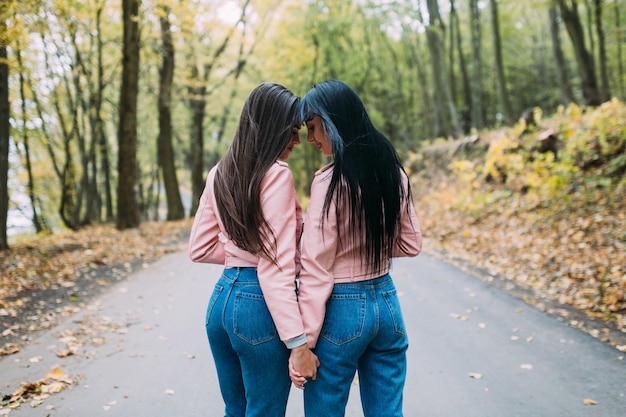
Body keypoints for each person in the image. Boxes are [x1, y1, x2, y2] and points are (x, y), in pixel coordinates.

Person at [289, 80, 422, 417]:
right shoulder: (392, 172)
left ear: (333, 121)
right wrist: (367, 241)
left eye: (313, 127)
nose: (310, 139)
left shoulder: (330, 182)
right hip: (388, 306)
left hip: (343, 311)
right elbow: (410, 243)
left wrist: (304, 342)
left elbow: (316, 267)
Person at [189, 82, 319, 417]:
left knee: (236, 410)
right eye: (291, 132)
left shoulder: (219, 172)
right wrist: (298, 344)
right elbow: (275, 268)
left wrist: (241, 253)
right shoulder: (276, 174)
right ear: (271, 128)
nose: (296, 141)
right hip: (257, 309)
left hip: (221, 303)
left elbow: (200, 247)